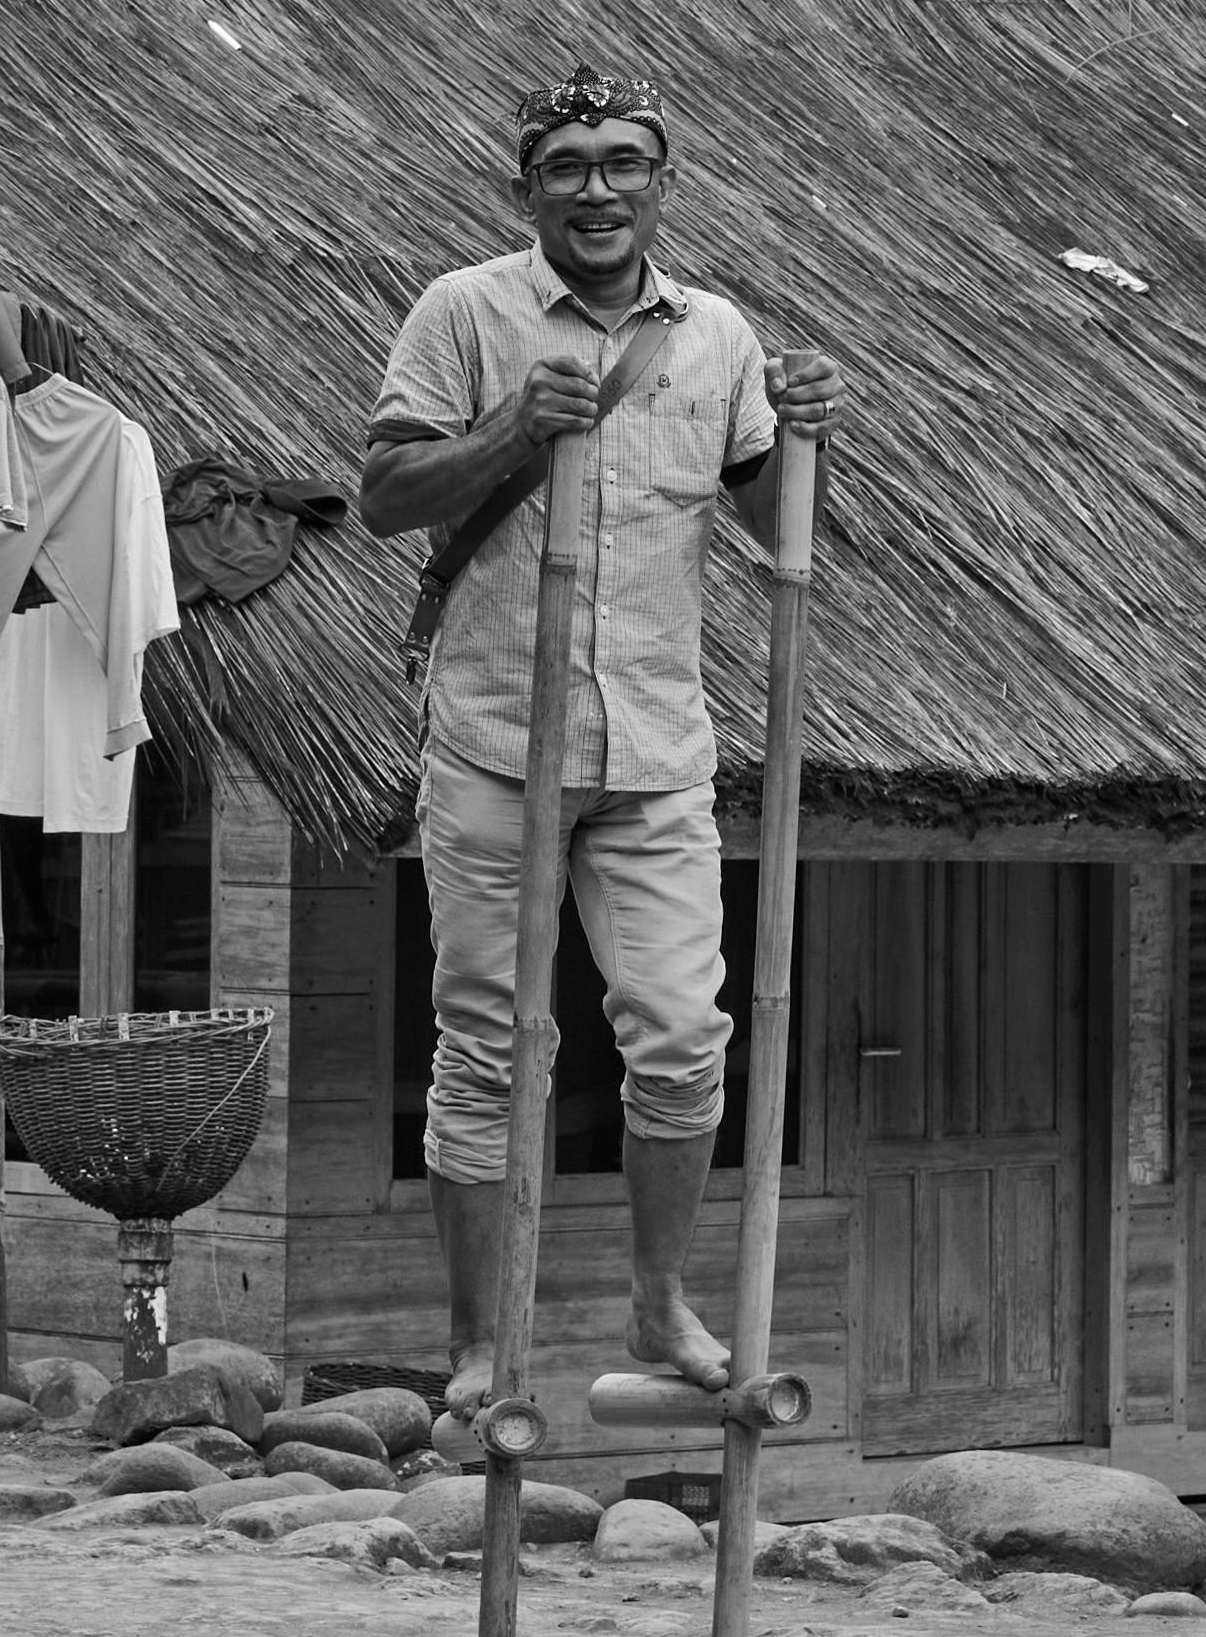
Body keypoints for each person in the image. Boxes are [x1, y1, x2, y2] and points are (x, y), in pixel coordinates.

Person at [356, 72, 847, 1412]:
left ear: (660, 183)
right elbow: (385, 493)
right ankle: (477, 1340)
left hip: (653, 748)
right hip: (497, 740)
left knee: (686, 1034)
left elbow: (771, 519)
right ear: (526, 186)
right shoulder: (464, 312)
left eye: (623, 161)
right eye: (566, 163)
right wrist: (515, 428)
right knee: (491, 1046)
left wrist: (806, 428)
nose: (596, 186)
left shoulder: (718, 336)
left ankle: (658, 1300)